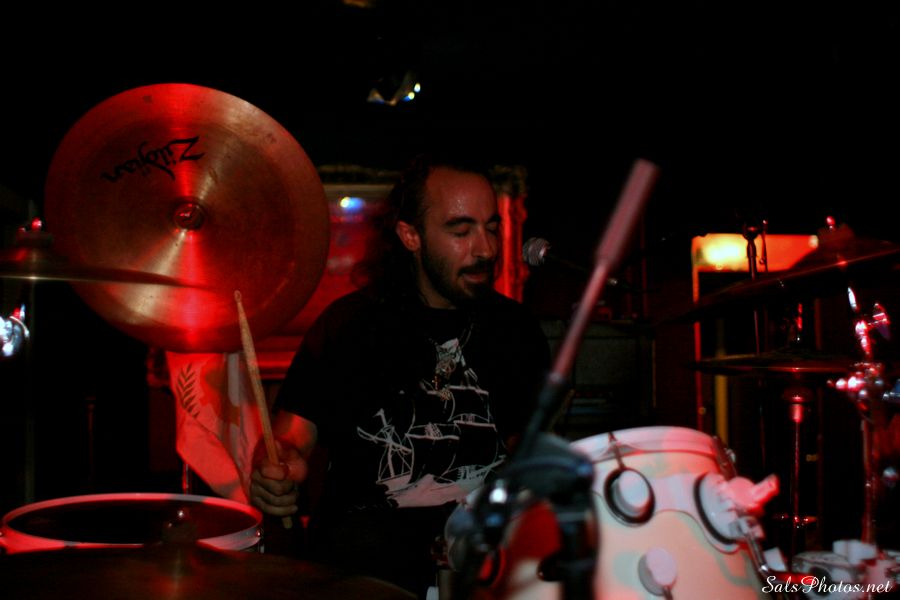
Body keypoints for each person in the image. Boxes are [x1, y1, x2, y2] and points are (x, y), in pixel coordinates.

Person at [249, 152, 551, 597]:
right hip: (362, 579)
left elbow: (530, 456)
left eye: (491, 228)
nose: (485, 249)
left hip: (484, 575)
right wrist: (275, 464)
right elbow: (289, 437)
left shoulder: (517, 331)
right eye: (461, 230)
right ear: (411, 235)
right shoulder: (349, 326)